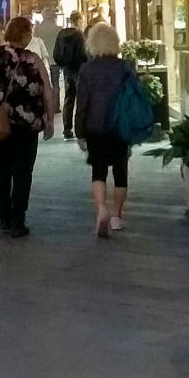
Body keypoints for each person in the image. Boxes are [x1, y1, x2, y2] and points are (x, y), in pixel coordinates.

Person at [0, 16, 55, 238]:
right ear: (24, 35)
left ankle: (3, 215)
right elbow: (47, 90)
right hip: (27, 125)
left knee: (1, 168)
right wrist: (50, 120)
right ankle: (17, 219)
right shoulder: (33, 59)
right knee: (23, 172)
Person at [75, 22, 141, 237]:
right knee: (121, 171)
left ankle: (101, 209)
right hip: (120, 126)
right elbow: (135, 96)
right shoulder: (125, 68)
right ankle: (117, 216)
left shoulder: (87, 70)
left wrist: (79, 131)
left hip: (95, 126)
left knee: (99, 170)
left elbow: (82, 103)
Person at [52, 13, 88, 140]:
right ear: (78, 21)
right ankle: (79, 130)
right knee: (81, 100)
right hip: (79, 70)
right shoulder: (79, 35)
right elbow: (84, 53)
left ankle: (67, 130)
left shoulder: (61, 34)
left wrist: (63, 64)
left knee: (68, 99)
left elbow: (56, 54)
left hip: (67, 70)